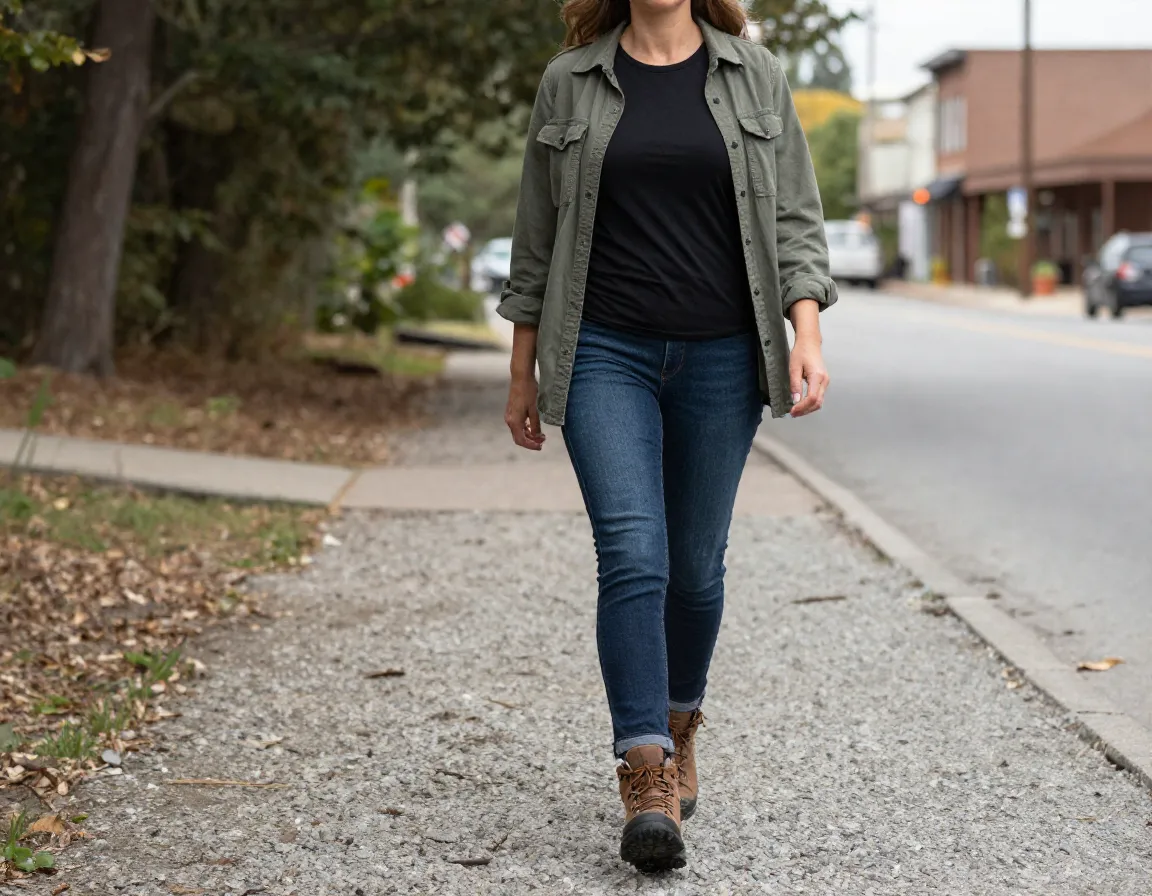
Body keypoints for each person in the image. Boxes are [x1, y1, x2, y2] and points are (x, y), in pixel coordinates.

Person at [498, 0, 834, 873]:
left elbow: (795, 216)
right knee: (634, 552)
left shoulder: (751, 73)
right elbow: (536, 238)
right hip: (604, 346)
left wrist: (807, 334)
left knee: (695, 566)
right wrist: (519, 369)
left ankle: (682, 719)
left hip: (724, 352)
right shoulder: (570, 82)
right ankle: (645, 769)